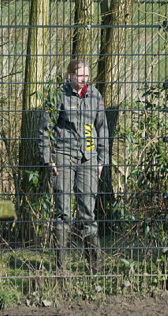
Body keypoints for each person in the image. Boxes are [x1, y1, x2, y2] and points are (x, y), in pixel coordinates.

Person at [38, 59, 109, 271]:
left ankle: (94, 268)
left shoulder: (95, 96)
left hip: (89, 158)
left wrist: (101, 160)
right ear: (69, 76)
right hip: (63, 156)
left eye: (86, 75)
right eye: (79, 75)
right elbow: (45, 129)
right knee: (63, 214)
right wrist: (47, 157)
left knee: (88, 214)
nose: (83, 79)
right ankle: (61, 268)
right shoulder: (59, 95)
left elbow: (102, 129)